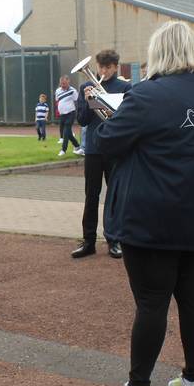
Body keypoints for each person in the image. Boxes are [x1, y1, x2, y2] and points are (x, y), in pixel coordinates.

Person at [100, 21, 194, 386]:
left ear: (159, 52)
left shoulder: (146, 95)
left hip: (154, 215)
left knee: (152, 302)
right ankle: (193, 381)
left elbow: (108, 141)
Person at [72, 49, 132, 259]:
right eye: (101, 67)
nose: (103, 71)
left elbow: (126, 118)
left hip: (114, 149)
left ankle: (114, 240)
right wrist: (89, 101)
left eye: (108, 67)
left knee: (114, 196)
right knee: (91, 195)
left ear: (115, 67)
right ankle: (88, 241)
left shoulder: (125, 87)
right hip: (94, 149)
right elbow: (83, 120)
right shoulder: (86, 87)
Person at [54, 74, 80, 156]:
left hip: (70, 113)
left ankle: (63, 150)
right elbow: (57, 100)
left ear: (68, 82)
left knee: (66, 132)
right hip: (62, 114)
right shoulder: (58, 91)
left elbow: (77, 101)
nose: (63, 85)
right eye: (61, 83)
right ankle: (77, 146)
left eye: (64, 83)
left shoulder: (73, 91)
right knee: (68, 133)